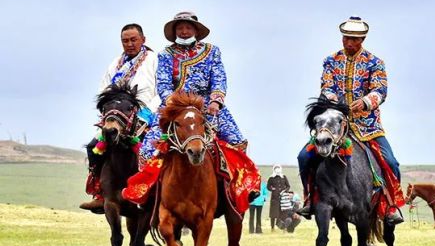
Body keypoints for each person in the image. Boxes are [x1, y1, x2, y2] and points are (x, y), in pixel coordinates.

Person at [122, 12, 260, 209]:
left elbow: (219, 79)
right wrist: (173, 102)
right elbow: (162, 84)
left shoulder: (212, 51)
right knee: (148, 148)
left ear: (196, 30)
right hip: (175, 106)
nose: (184, 32)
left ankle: (243, 189)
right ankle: (147, 193)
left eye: (188, 28)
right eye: (180, 28)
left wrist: (216, 101)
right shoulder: (166, 54)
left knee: (236, 140)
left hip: (206, 106)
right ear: (175, 31)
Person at [296, 16, 404, 225]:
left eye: (354, 39)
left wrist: (365, 102)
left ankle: (391, 206)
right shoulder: (331, 61)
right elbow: (326, 86)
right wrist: (332, 100)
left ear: (362, 39)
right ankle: (310, 198)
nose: (349, 43)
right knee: (303, 157)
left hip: (368, 126)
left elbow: (380, 90)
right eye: (346, 38)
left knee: (391, 162)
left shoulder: (375, 63)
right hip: (334, 125)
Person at [80, 23, 159, 213]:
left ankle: (158, 194)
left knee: (158, 151)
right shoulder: (115, 63)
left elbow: (162, 90)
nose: (130, 44)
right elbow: (103, 90)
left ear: (143, 40)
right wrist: (108, 111)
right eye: (125, 40)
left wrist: (147, 112)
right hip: (118, 117)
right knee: (93, 147)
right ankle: (100, 193)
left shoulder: (155, 60)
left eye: (134, 40)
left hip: (146, 116)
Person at [267, 164, 290, 231]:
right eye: (276, 168)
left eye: (278, 168)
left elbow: (288, 186)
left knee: (283, 213)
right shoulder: (271, 177)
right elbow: (268, 186)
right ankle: (272, 228)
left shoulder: (284, 177)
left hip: (283, 199)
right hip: (275, 198)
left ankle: (283, 228)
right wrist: (272, 189)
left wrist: (285, 191)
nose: (277, 169)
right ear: (274, 169)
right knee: (273, 214)